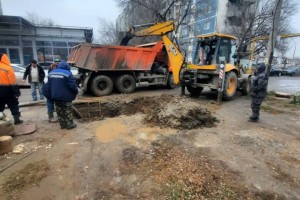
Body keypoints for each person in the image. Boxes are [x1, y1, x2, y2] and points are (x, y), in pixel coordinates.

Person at [43, 61, 78, 129]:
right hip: (66, 96)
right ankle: (69, 124)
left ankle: (62, 125)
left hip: (56, 96)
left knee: (59, 110)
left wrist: (49, 95)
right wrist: (75, 92)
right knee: (67, 110)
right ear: (67, 67)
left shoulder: (51, 73)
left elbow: (48, 86)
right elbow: (72, 85)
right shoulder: (68, 73)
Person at [0, 53, 23, 125]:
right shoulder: (8, 68)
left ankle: (1, 121)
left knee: (0, 106)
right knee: (13, 104)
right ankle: (17, 120)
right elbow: (13, 82)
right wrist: (17, 92)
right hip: (8, 90)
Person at [46, 58, 61, 123]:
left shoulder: (59, 69)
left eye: (58, 62)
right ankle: (51, 117)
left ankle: (58, 115)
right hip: (50, 89)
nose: (57, 63)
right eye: (56, 62)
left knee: (57, 103)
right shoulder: (51, 70)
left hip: (55, 88)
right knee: (50, 102)